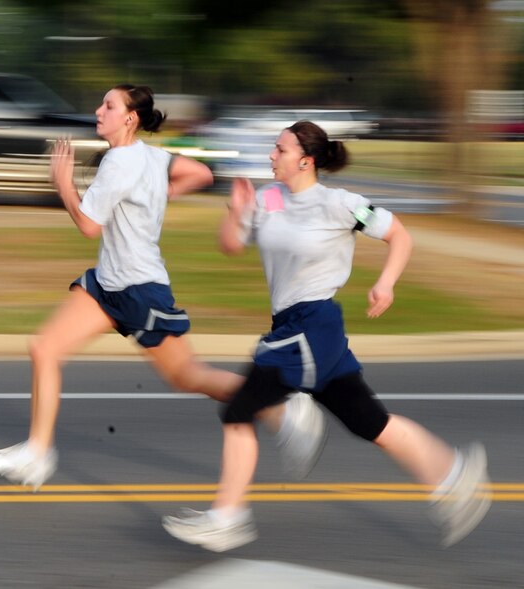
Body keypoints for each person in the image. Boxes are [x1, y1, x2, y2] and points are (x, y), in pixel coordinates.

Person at [162, 120, 492, 551]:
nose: (270, 156)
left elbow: (399, 236)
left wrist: (386, 283)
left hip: (314, 323)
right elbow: (231, 245)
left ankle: (228, 516)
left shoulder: (340, 203)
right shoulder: (269, 197)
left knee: (239, 410)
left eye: (279, 150)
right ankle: (455, 476)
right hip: (291, 326)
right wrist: (237, 212)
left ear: (306, 159)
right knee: (369, 422)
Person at [0, 86, 324, 491]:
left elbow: (90, 226)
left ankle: (284, 411)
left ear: (129, 118)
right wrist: (157, 194)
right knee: (45, 348)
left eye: (108, 105)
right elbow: (201, 174)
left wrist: (64, 185)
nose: (98, 110)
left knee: (189, 377)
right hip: (108, 285)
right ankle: (37, 454)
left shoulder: (119, 164)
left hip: (139, 290)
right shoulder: (151, 155)